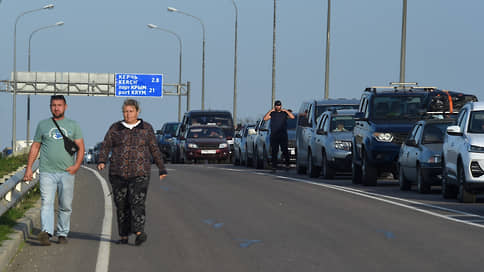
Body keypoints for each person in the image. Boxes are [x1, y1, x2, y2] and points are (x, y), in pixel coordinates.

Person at [97, 99, 167, 246]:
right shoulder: (115, 128)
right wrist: (102, 160)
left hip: (140, 173)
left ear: (137, 111)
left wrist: (161, 168)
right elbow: (106, 145)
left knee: (137, 203)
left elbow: (154, 148)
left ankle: (139, 232)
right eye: (125, 112)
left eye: (131, 111)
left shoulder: (146, 128)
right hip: (118, 173)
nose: (128, 115)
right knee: (122, 205)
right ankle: (123, 235)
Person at [23, 95, 85, 246]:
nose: (56, 108)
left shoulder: (73, 125)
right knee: (47, 203)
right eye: (53, 105)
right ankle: (47, 233)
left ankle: (62, 233)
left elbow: (81, 147)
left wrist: (76, 166)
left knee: (65, 205)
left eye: (59, 105)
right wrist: (29, 168)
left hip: (67, 172)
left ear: (65, 107)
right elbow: (36, 146)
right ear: (50, 107)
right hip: (47, 171)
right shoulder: (43, 125)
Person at [263, 100, 295, 172]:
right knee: (274, 151)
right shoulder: (272, 113)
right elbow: (265, 118)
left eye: (279, 105)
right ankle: (274, 167)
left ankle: (287, 165)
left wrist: (286, 111)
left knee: (285, 150)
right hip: (274, 135)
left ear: (281, 106)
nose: (278, 107)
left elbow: (292, 117)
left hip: (283, 135)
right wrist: (271, 110)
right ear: (275, 106)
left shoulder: (284, 113)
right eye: (277, 105)